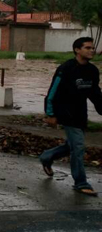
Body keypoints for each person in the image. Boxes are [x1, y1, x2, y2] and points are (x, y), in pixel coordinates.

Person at [39, 37, 102, 196]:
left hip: (81, 112)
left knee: (72, 145)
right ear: (77, 50)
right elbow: (52, 91)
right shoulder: (65, 69)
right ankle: (80, 182)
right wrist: (50, 113)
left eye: (92, 48)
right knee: (79, 146)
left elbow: (95, 93)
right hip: (65, 112)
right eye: (87, 48)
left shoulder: (92, 71)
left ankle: (47, 156)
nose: (91, 50)